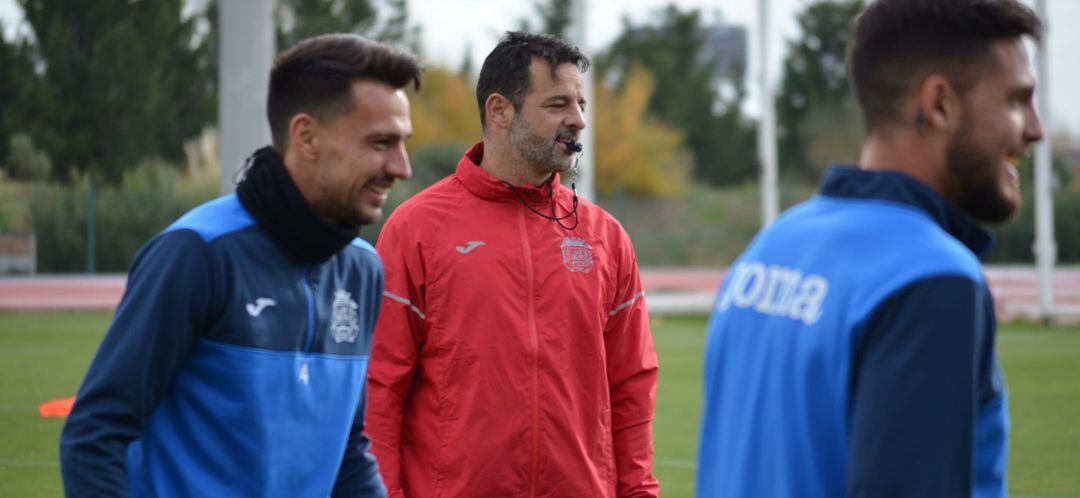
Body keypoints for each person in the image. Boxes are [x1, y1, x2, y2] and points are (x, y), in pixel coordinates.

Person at [696, 1, 1045, 497]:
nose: (1035, 129)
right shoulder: (930, 277)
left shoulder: (771, 247)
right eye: (1017, 100)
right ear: (939, 104)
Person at [60, 34, 421, 497]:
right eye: (381, 143)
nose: (401, 166)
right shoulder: (198, 253)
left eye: (403, 144)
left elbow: (347, 449)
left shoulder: (363, 269)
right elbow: (95, 435)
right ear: (306, 137)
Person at [366, 31, 659, 498]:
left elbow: (631, 386)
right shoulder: (416, 228)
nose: (578, 120)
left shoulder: (605, 237)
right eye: (558, 104)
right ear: (500, 111)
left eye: (580, 104)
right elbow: (380, 388)